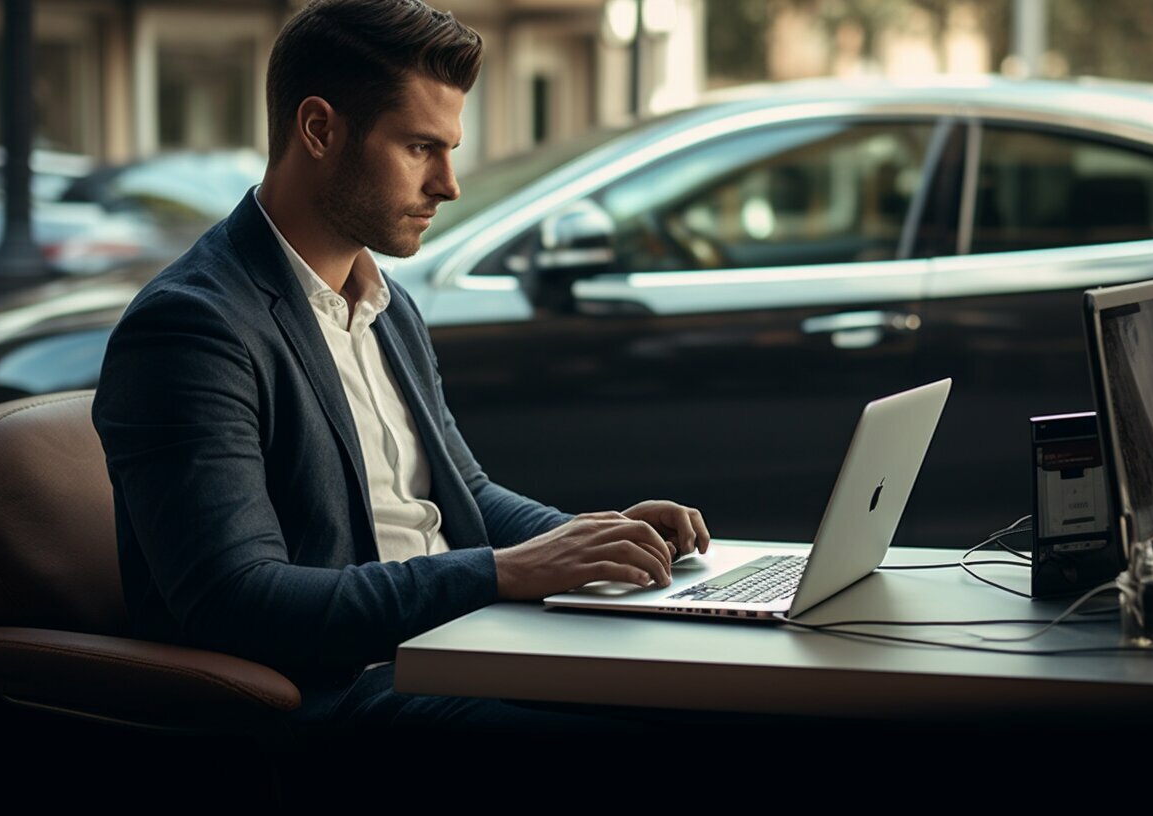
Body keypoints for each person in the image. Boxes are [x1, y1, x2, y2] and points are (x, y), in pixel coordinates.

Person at [91, 0, 708, 734]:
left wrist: (595, 541)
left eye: (449, 149)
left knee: (725, 699)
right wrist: (507, 573)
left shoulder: (387, 302)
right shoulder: (193, 326)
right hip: (341, 699)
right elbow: (237, 601)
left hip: (454, 648)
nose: (448, 183)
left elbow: (462, 494)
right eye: (420, 148)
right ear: (319, 129)